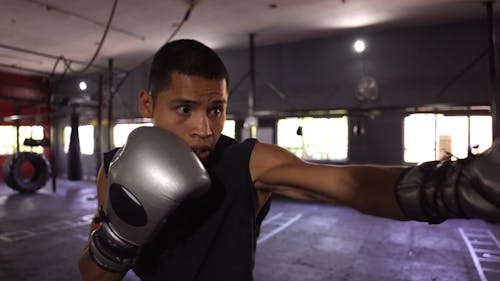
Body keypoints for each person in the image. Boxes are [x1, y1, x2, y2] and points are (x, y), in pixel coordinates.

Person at [78, 39, 500, 281]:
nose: (204, 129)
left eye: (216, 109)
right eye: (184, 109)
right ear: (148, 102)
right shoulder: (115, 166)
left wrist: (451, 188)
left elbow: (345, 185)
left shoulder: (247, 161)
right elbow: (96, 276)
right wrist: (121, 236)